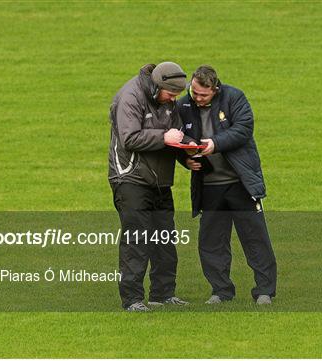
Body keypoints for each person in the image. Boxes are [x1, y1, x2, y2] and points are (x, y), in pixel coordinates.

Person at [177, 65, 277, 305]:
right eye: (194, 92)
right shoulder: (183, 106)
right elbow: (176, 137)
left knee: (255, 237)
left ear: (215, 88)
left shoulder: (235, 98)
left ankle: (264, 290)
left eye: (203, 94)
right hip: (209, 186)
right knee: (211, 240)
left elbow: (243, 129)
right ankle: (221, 291)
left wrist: (215, 144)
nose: (197, 98)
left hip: (239, 182)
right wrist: (186, 160)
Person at [108, 62, 190, 312]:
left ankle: (163, 294)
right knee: (137, 239)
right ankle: (132, 299)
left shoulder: (168, 100)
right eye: (171, 94)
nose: (173, 99)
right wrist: (163, 137)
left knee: (165, 237)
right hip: (130, 178)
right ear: (157, 85)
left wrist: (189, 155)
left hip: (160, 180)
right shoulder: (130, 96)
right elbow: (130, 138)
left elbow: (175, 136)